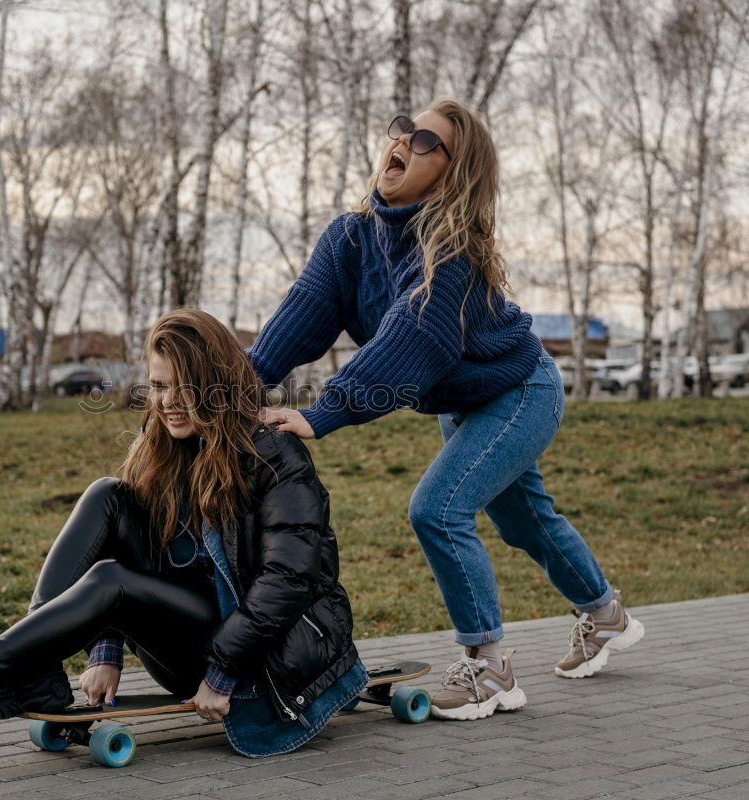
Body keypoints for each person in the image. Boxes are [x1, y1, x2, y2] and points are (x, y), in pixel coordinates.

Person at [246, 97, 644, 722]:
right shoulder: (349, 236)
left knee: (438, 509)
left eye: (427, 140)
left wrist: (322, 413)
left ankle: (490, 670)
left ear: (455, 171)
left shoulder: (451, 251)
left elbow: (414, 340)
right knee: (525, 523)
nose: (403, 141)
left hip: (519, 391)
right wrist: (238, 386)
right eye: (402, 129)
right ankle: (605, 616)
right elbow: (305, 312)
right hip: (463, 403)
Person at [0, 308, 367, 759]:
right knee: (108, 493)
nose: (168, 403)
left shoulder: (274, 452)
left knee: (111, 579)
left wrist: (224, 672)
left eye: (184, 387)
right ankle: (30, 673)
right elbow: (135, 548)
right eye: (157, 387)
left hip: (260, 659)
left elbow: (288, 579)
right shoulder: (170, 446)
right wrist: (104, 648)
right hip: (196, 634)